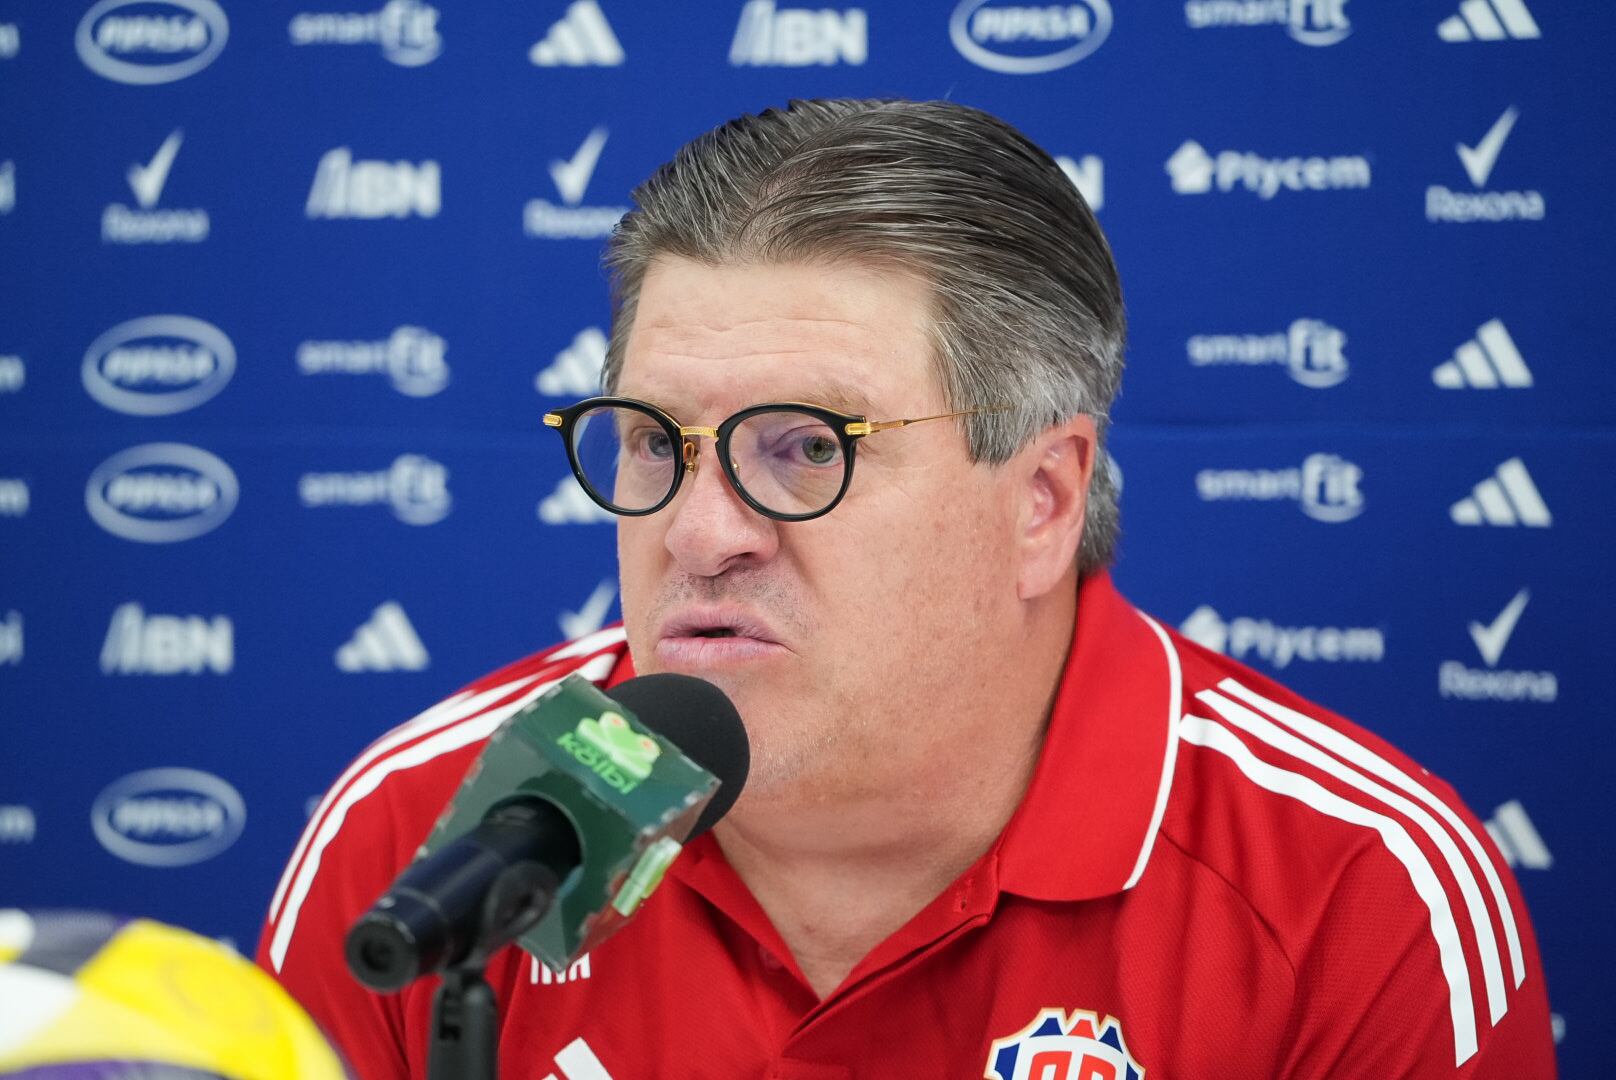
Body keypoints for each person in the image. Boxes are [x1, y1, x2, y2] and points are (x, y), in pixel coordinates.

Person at [258, 99, 1555, 1078]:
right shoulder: (425, 840)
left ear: (1041, 502)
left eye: (808, 449)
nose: (704, 534)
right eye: (655, 444)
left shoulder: (1353, 891)